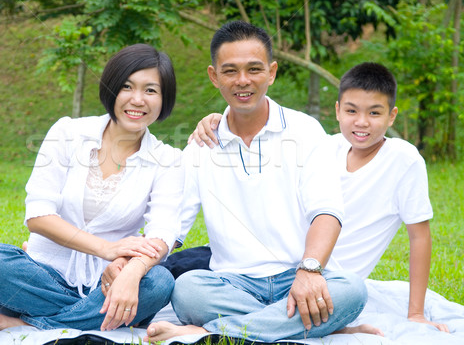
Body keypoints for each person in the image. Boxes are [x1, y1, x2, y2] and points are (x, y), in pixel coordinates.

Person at [140, 21, 367, 343]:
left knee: (352, 290)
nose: (242, 81)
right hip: (233, 282)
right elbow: (173, 227)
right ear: (214, 76)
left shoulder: (305, 131)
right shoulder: (201, 146)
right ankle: (299, 321)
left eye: (254, 69)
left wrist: (310, 271)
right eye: (230, 71)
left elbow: (326, 212)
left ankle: (208, 332)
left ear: (272, 72)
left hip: (298, 272)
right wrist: (136, 265)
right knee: (188, 292)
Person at [187, 62, 450, 334]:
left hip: (328, 279)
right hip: (279, 264)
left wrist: (416, 313)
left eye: (374, 113)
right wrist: (218, 120)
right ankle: (314, 326)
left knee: (352, 292)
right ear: (337, 110)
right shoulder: (325, 144)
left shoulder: (404, 161)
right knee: (187, 280)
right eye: (351, 111)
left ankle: (213, 331)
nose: (361, 122)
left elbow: (419, 236)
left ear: (392, 116)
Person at [0, 44, 183, 333]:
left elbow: (163, 233)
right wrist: (107, 249)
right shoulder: (68, 133)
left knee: (159, 282)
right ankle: (81, 321)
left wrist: (132, 271)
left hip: (108, 287)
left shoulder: (167, 160)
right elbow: (38, 216)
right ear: (112, 90)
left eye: (150, 90)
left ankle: (26, 324)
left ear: (164, 99)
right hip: (42, 279)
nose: (137, 99)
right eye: (127, 86)